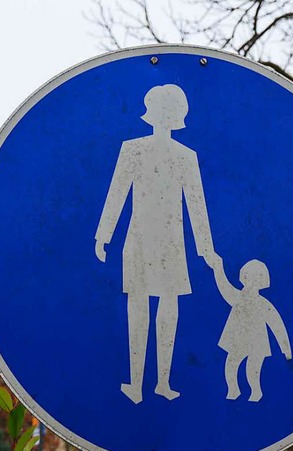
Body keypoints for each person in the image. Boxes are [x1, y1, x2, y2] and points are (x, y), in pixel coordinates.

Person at [95, 84, 218, 404]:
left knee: (158, 309)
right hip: (143, 240)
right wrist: (103, 234)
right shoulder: (136, 150)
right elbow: (117, 194)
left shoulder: (182, 156)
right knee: (148, 308)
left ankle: (155, 384)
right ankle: (144, 384)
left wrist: (206, 247)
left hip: (165, 241)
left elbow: (196, 205)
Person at [211, 257, 292, 402]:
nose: (250, 283)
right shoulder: (237, 297)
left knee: (252, 370)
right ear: (243, 277)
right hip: (238, 340)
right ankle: (233, 390)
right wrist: (218, 268)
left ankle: (256, 393)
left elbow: (276, 325)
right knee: (231, 364)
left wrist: (285, 349)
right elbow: (224, 287)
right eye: (248, 277)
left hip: (257, 343)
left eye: (255, 279)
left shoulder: (263, 303)